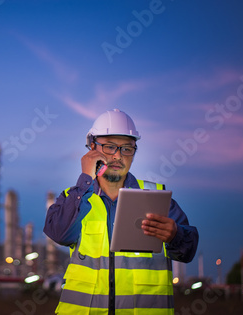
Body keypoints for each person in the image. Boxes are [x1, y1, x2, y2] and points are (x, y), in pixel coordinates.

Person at [44, 109, 199, 315]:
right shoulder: (75, 198)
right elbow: (59, 234)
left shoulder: (156, 197)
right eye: (109, 147)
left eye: (127, 149)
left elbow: (188, 251)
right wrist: (85, 180)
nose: (118, 156)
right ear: (92, 148)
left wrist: (175, 235)